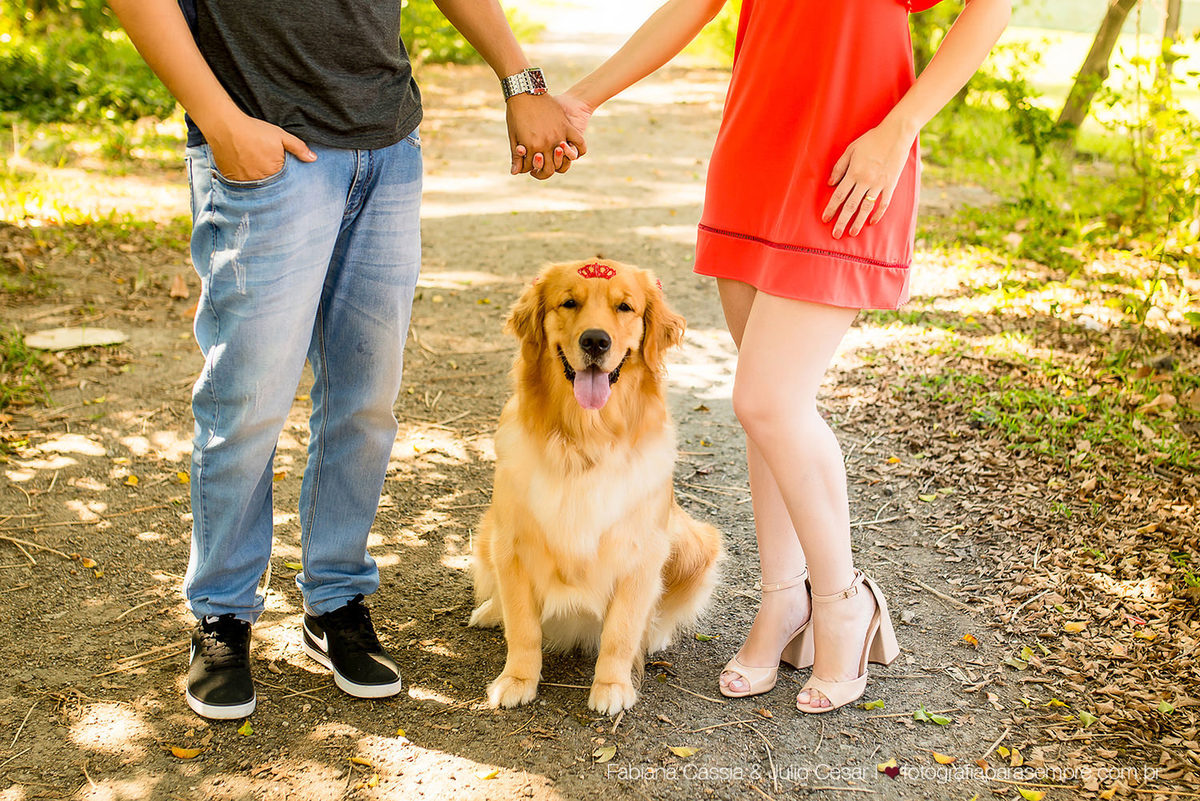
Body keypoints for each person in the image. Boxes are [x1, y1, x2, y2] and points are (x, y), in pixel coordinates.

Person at [109, 0, 585, 720]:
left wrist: (520, 78)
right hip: (263, 140)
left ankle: (335, 599)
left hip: (386, 148)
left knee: (366, 401)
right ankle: (223, 613)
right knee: (248, 400)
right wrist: (218, 119)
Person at [554, 0, 1009, 712]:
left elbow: (993, 6)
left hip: (854, 164)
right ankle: (781, 602)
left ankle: (843, 600)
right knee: (772, 411)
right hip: (757, 154)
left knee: (766, 399)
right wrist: (582, 99)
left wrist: (900, 130)